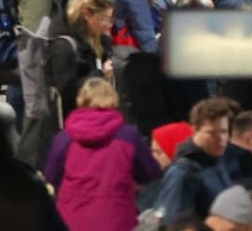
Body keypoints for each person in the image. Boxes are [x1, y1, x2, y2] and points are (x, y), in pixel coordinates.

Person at [45, 77, 163, 231]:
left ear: (81, 100)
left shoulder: (64, 138)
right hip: (117, 218)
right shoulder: (128, 135)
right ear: (113, 99)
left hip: (71, 219)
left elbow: (51, 175)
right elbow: (150, 172)